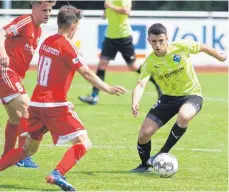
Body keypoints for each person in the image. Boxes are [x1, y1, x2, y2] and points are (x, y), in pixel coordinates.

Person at [0, 5, 126, 191]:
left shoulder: (46, 41)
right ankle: (58, 173)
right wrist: (107, 88)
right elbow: (87, 74)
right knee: (84, 142)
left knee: (28, 149)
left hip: (36, 104)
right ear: (74, 27)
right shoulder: (69, 47)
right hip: (54, 105)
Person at [130, 23, 227, 172]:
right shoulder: (149, 62)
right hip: (168, 98)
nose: (158, 45)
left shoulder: (181, 46)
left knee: (184, 115)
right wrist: (135, 100)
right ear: (148, 40)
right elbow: (141, 84)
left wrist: (219, 56)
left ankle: (163, 152)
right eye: (154, 41)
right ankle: (145, 165)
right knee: (144, 134)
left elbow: (203, 47)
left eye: (161, 41)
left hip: (191, 95)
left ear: (167, 38)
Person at [0, 0, 56, 168]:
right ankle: (22, 156)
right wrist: (2, 53)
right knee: (27, 109)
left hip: (14, 76)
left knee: (15, 118)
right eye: (44, 9)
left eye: (50, 10)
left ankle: (7, 156)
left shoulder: (38, 30)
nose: (47, 13)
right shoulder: (25, 21)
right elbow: (1, 32)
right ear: (34, 8)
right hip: (5, 72)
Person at [79, 0, 162, 105]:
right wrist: (105, 12)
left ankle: (158, 84)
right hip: (110, 36)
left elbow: (126, 11)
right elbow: (105, 15)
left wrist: (110, 6)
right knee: (102, 65)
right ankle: (94, 96)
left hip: (124, 37)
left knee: (133, 66)